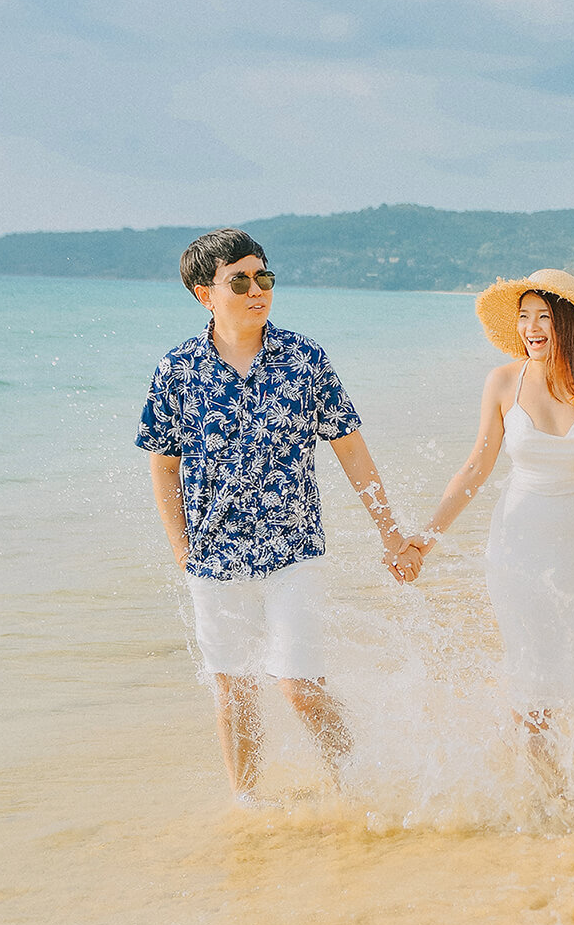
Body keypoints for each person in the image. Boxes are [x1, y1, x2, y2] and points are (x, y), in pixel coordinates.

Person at [136, 227, 420, 801]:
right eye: (237, 280)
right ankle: (248, 806)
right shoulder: (177, 369)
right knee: (233, 690)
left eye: (263, 276)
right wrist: (180, 547)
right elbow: (163, 464)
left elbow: (352, 450)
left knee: (299, 686)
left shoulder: (304, 357)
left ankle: (359, 789)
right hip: (213, 558)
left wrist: (392, 535)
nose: (255, 289)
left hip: (294, 551)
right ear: (203, 293)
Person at [402, 269, 574, 732]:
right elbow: (476, 467)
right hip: (519, 541)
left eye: (543, 316)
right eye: (524, 317)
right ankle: (539, 789)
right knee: (530, 663)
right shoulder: (502, 382)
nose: (530, 328)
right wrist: (426, 538)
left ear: (567, 323)